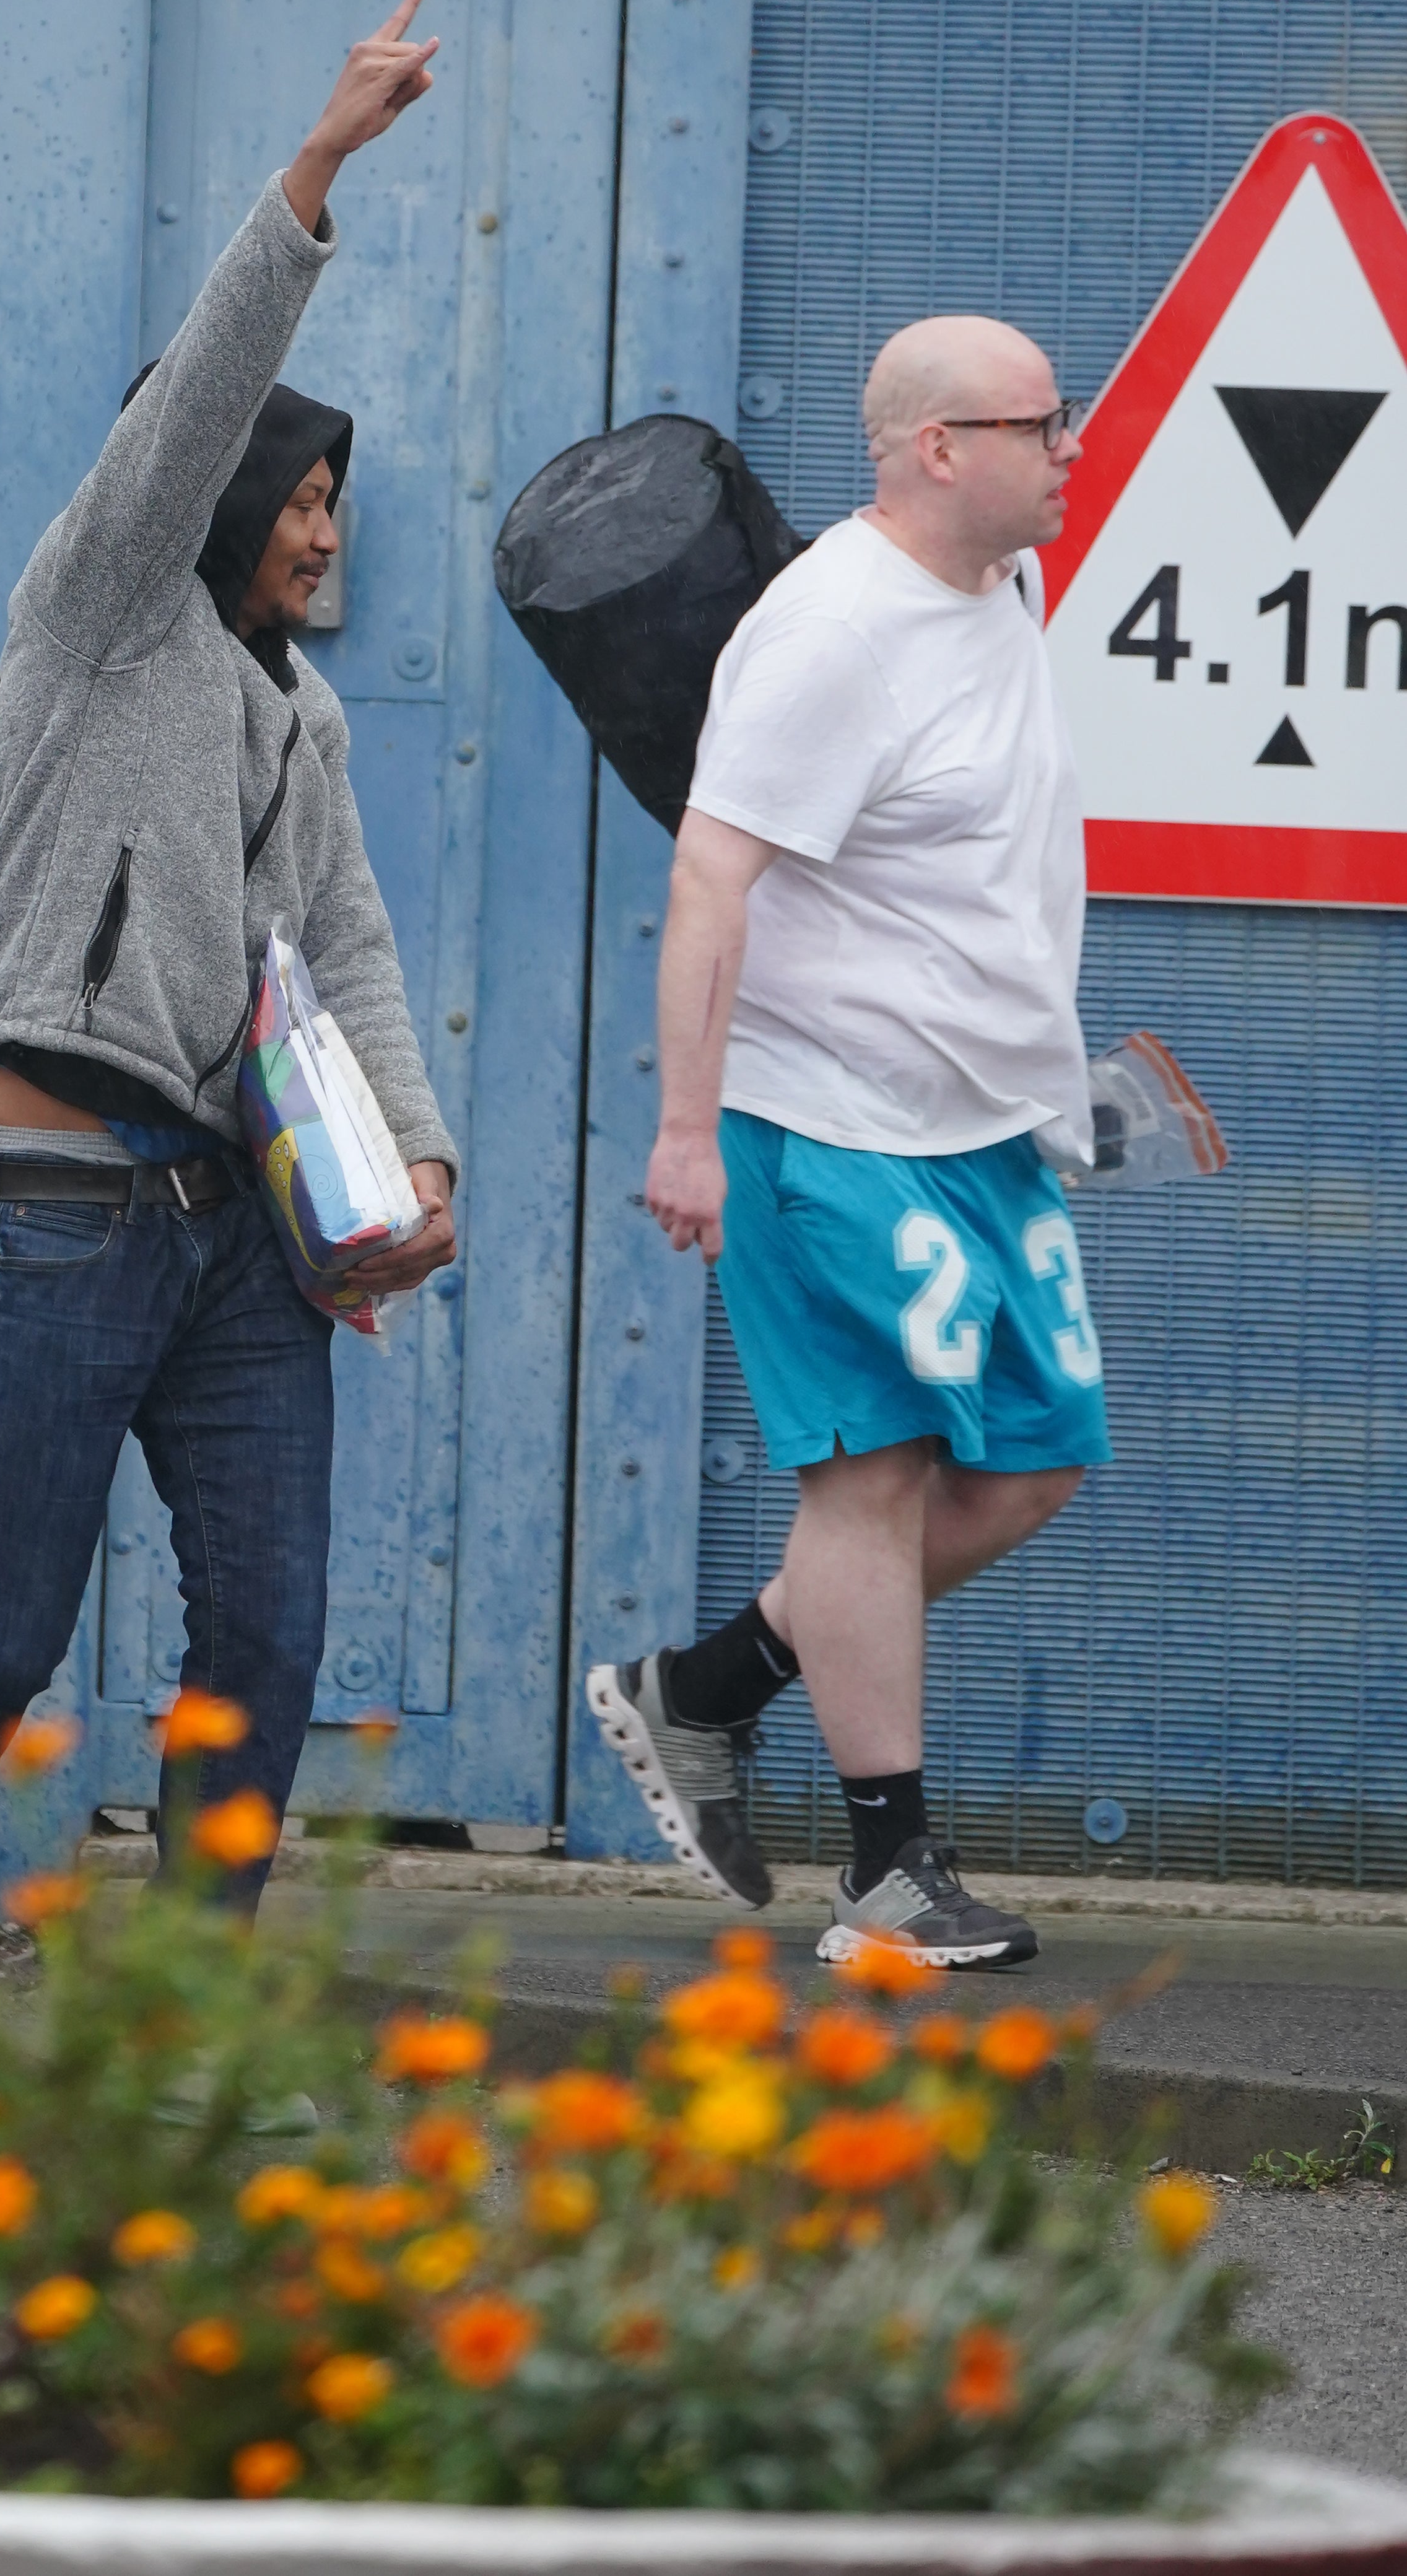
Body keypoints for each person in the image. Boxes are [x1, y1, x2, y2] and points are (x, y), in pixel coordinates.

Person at [0, 0, 460, 2074]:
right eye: (302, 492)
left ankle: (192, 2024)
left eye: (341, 498)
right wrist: (314, 174)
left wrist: (410, 1166)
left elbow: (344, 945)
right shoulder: (96, 611)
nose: (326, 527)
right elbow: (189, 409)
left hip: (235, 1231)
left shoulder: (300, 714)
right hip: (64, 1194)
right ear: (218, 489)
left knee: (264, 1629)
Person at [595, 319, 1107, 1970]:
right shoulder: (826, 633)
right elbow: (710, 878)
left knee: (1030, 1460)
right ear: (935, 447)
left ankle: (710, 1687)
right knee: (872, 1479)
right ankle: (886, 1879)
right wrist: (687, 1128)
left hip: (979, 1125)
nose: (1071, 444)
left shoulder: (995, 584)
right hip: (823, 1125)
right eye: (1039, 423)